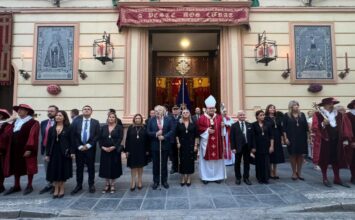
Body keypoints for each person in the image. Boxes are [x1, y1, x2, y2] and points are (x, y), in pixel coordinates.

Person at [312, 97, 353, 187]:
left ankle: (337, 178)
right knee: (324, 160)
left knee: (336, 159)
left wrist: (346, 138)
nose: (332, 106)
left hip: (337, 141)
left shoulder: (339, 115)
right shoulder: (318, 114)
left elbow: (345, 127)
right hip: (325, 140)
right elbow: (315, 128)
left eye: (332, 104)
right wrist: (323, 124)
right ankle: (325, 178)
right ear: (325, 105)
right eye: (330, 104)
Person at [4, 104, 40, 195]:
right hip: (15, 148)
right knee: (16, 166)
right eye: (18, 110)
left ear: (27, 112)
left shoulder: (33, 122)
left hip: (26, 148)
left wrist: (29, 149)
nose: (19, 111)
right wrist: (8, 121)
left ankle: (29, 185)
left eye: (21, 110)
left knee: (29, 167)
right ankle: (16, 185)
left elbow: (33, 136)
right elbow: (7, 133)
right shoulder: (15, 122)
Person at [70, 105, 100, 195]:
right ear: (82, 111)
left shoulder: (95, 122)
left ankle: (91, 184)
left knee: (91, 167)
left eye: (88, 109)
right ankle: (79, 185)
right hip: (79, 149)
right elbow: (73, 135)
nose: (86, 110)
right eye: (85, 109)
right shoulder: (76, 122)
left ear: (91, 112)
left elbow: (97, 135)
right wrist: (79, 146)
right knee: (79, 167)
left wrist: (88, 145)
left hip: (90, 148)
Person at [45, 111, 74, 198]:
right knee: (54, 171)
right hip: (54, 153)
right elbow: (48, 143)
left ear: (64, 117)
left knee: (62, 171)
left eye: (60, 115)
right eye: (57, 115)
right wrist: (47, 154)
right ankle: (56, 188)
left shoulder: (69, 128)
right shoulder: (51, 129)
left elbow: (72, 141)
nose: (58, 117)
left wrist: (72, 153)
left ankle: (61, 188)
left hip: (64, 153)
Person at [197, 95, 225, 184]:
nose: (211, 110)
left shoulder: (219, 117)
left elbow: (223, 131)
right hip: (206, 143)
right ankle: (206, 177)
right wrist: (206, 131)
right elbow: (198, 128)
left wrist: (223, 127)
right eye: (210, 108)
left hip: (218, 143)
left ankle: (218, 176)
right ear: (206, 109)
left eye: (213, 108)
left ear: (215, 109)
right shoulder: (202, 118)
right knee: (206, 161)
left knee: (217, 161)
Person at [147, 105, 174, 189]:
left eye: (159, 111)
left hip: (165, 145)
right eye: (156, 111)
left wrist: (164, 137)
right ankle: (156, 181)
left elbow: (172, 130)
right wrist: (155, 134)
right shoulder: (151, 120)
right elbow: (148, 132)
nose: (157, 112)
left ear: (163, 111)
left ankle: (164, 181)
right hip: (155, 145)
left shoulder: (168, 119)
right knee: (155, 164)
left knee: (164, 164)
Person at [283, 100, 308, 181]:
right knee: (293, 155)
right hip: (291, 138)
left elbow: (306, 128)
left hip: (302, 138)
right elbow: (284, 129)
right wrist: (285, 138)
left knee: (300, 155)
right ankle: (294, 172)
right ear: (291, 107)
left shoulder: (302, 115)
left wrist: (308, 138)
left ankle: (299, 172)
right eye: (295, 105)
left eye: (297, 105)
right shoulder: (286, 115)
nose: (296, 106)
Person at [98, 112, 123, 193]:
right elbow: (100, 139)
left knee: (114, 167)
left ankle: (112, 184)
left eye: (113, 117)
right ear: (107, 118)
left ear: (115, 119)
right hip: (105, 151)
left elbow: (120, 138)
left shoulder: (119, 127)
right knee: (105, 167)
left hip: (114, 151)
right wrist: (103, 147)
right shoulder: (103, 127)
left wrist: (114, 147)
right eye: (110, 117)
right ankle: (107, 184)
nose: (111, 118)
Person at [125, 114, 149, 191]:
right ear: (134, 119)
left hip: (142, 149)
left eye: (139, 118)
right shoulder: (130, 128)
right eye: (136, 118)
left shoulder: (145, 127)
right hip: (132, 150)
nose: (137, 119)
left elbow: (147, 139)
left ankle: (139, 180)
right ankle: (132, 181)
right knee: (133, 166)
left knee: (140, 166)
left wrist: (147, 150)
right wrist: (127, 150)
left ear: (141, 119)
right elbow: (127, 140)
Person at [176, 109, 199, 186]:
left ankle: (189, 178)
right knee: (182, 161)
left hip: (191, 145)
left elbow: (196, 136)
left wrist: (195, 145)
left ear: (189, 114)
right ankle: (183, 177)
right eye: (184, 113)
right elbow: (176, 135)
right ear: (182, 114)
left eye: (187, 112)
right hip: (182, 145)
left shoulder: (193, 124)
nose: (185, 114)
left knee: (190, 161)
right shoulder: (179, 123)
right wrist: (178, 143)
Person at [39, 105, 58, 194]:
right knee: (46, 167)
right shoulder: (43, 122)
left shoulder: (59, 122)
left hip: (55, 149)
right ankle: (49, 183)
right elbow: (43, 136)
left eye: (52, 111)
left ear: (56, 112)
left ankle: (56, 185)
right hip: (45, 147)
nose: (49, 112)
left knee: (55, 166)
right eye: (48, 111)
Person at [230, 110, 253, 185]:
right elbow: (232, 138)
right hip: (238, 147)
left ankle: (246, 177)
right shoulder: (234, 125)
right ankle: (238, 178)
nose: (242, 116)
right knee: (237, 163)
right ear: (237, 116)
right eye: (240, 115)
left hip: (247, 146)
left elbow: (252, 138)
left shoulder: (249, 125)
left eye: (243, 115)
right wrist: (233, 148)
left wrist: (253, 147)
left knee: (247, 163)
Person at [251, 110, 274, 184]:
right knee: (259, 163)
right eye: (261, 115)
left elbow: (271, 136)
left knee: (266, 162)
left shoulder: (268, 124)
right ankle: (260, 178)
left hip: (266, 146)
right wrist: (253, 147)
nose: (263, 116)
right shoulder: (253, 125)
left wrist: (271, 146)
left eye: (263, 115)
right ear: (257, 116)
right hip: (258, 146)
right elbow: (253, 137)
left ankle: (266, 178)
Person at [264, 104, 285, 180]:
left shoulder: (278, 118)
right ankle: (269, 172)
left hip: (277, 138)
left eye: (274, 108)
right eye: (270, 108)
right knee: (270, 155)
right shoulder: (265, 118)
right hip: (269, 138)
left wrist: (282, 138)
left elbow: (281, 129)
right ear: (268, 109)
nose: (272, 109)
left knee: (276, 156)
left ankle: (275, 172)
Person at [0, 109, 13, 193]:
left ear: (1, 116)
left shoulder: (6, 126)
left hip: (1, 151)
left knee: (0, 169)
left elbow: (5, 137)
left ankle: (0, 185)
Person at [169, 105, 181, 174]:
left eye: (177, 109)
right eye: (174, 109)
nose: (175, 110)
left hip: (180, 140)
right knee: (173, 155)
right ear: (172, 111)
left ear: (179, 111)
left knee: (180, 154)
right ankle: (174, 167)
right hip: (172, 140)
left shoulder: (182, 117)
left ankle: (179, 167)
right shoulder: (169, 118)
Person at [346, 100, 355, 184]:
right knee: (353, 160)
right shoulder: (348, 115)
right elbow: (347, 130)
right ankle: (353, 176)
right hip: (352, 141)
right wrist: (351, 141)